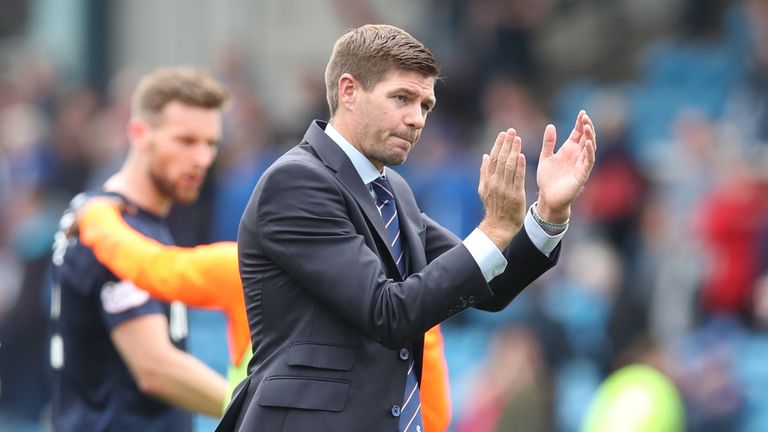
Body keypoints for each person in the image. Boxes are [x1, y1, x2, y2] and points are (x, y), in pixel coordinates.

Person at [219, 24, 596, 432]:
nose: (416, 119)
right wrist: (493, 229)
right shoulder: (296, 182)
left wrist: (549, 214)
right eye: (401, 98)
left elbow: (490, 286)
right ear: (348, 91)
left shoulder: (391, 189)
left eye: (425, 106)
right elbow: (388, 313)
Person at [69, 197, 452, 431]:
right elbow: (433, 413)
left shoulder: (243, 265)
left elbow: (153, 267)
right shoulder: (403, 293)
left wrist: (95, 215)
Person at [50, 67, 229, 431]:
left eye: (211, 144)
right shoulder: (114, 231)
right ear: (139, 133)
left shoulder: (120, 217)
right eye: (186, 140)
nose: (202, 159)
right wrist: (263, 411)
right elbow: (156, 369)